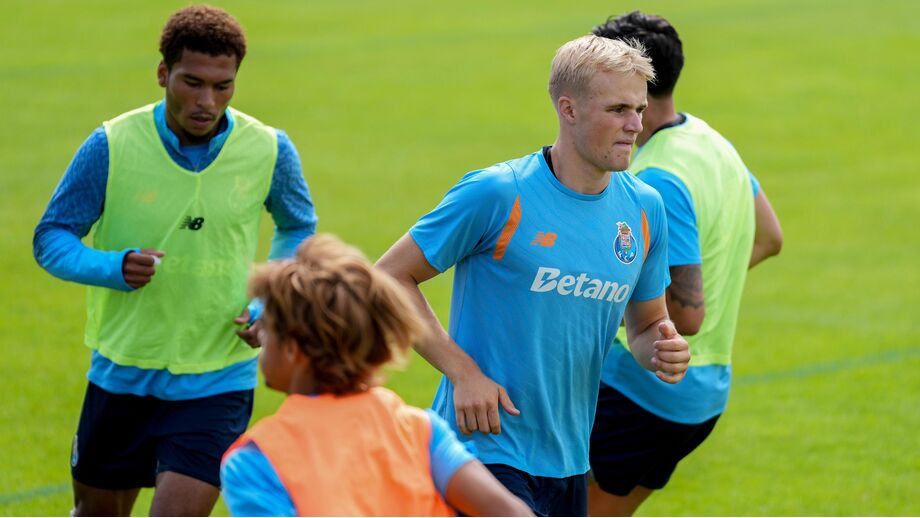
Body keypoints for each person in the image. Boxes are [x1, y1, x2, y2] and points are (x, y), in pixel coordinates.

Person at [376, 35, 691, 517]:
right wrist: (464, 373)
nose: (635, 125)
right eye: (618, 109)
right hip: (482, 448)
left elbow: (647, 325)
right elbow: (389, 278)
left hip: (568, 460)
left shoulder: (645, 208)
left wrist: (662, 349)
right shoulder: (499, 193)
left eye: (639, 108)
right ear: (568, 109)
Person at [32, 5, 317, 516]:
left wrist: (267, 301)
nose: (207, 101)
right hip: (121, 371)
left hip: (218, 375)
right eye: (192, 83)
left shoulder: (270, 149)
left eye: (223, 86)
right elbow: (51, 237)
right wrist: (111, 268)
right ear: (163, 73)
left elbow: (298, 227)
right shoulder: (111, 144)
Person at [587, 11, 784, 516]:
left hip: (642, 390)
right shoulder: (711, 143)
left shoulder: (658, 177)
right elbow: (769, 237)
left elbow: (687, 316)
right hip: (703, 394)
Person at [220, 234, 533, 517]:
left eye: (269, 329)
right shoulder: (421, 431)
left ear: (292, 349)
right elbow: (511, 513)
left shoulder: (256, 459)